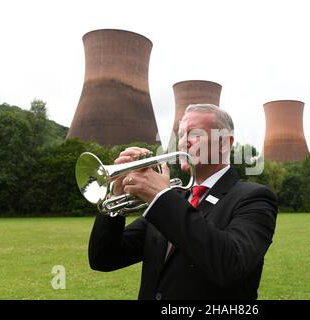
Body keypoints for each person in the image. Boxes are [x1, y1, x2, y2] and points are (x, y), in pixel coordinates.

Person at [88, 104, 277, 300]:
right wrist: (115, 195)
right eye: (181, 135)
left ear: (224, 143)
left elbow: (230, 265)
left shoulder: (254, 198)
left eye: (194, 134)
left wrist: (161, 196)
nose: (183, 142)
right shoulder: (174, 198)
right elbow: (104, 259)